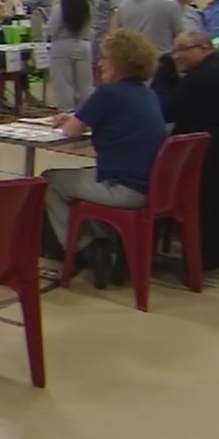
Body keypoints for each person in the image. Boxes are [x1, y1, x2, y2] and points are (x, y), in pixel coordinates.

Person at [41, 29, 166, 289]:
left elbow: (70, 131)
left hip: (122, 187)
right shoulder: (147, 93)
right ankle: (98, 241)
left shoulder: (108, 93)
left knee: (50, 180)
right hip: (148, 184)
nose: (99, 63)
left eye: (105, 57)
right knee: (81, 177)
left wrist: (73, 120)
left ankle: (79, 249)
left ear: (119, 62)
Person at [152, 31, 219, 134]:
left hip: (206, 145)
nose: (175, 57)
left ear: (204, 49)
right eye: (173, 52)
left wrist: (162, 74)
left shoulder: (199, 78)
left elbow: (163, 113)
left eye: (182, 49)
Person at [47, 0, 94, 112]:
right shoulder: (86, 6)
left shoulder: (61, 7)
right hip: (83, 44)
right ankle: (87, 112)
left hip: (62, 45)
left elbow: (52, 29)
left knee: (64, 84)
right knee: (85, 84)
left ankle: (67, 112)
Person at [92, 0, 124, 75]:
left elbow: (115, 12)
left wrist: (111, 34)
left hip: (103, 33)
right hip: (93, 32)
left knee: (101, 66)